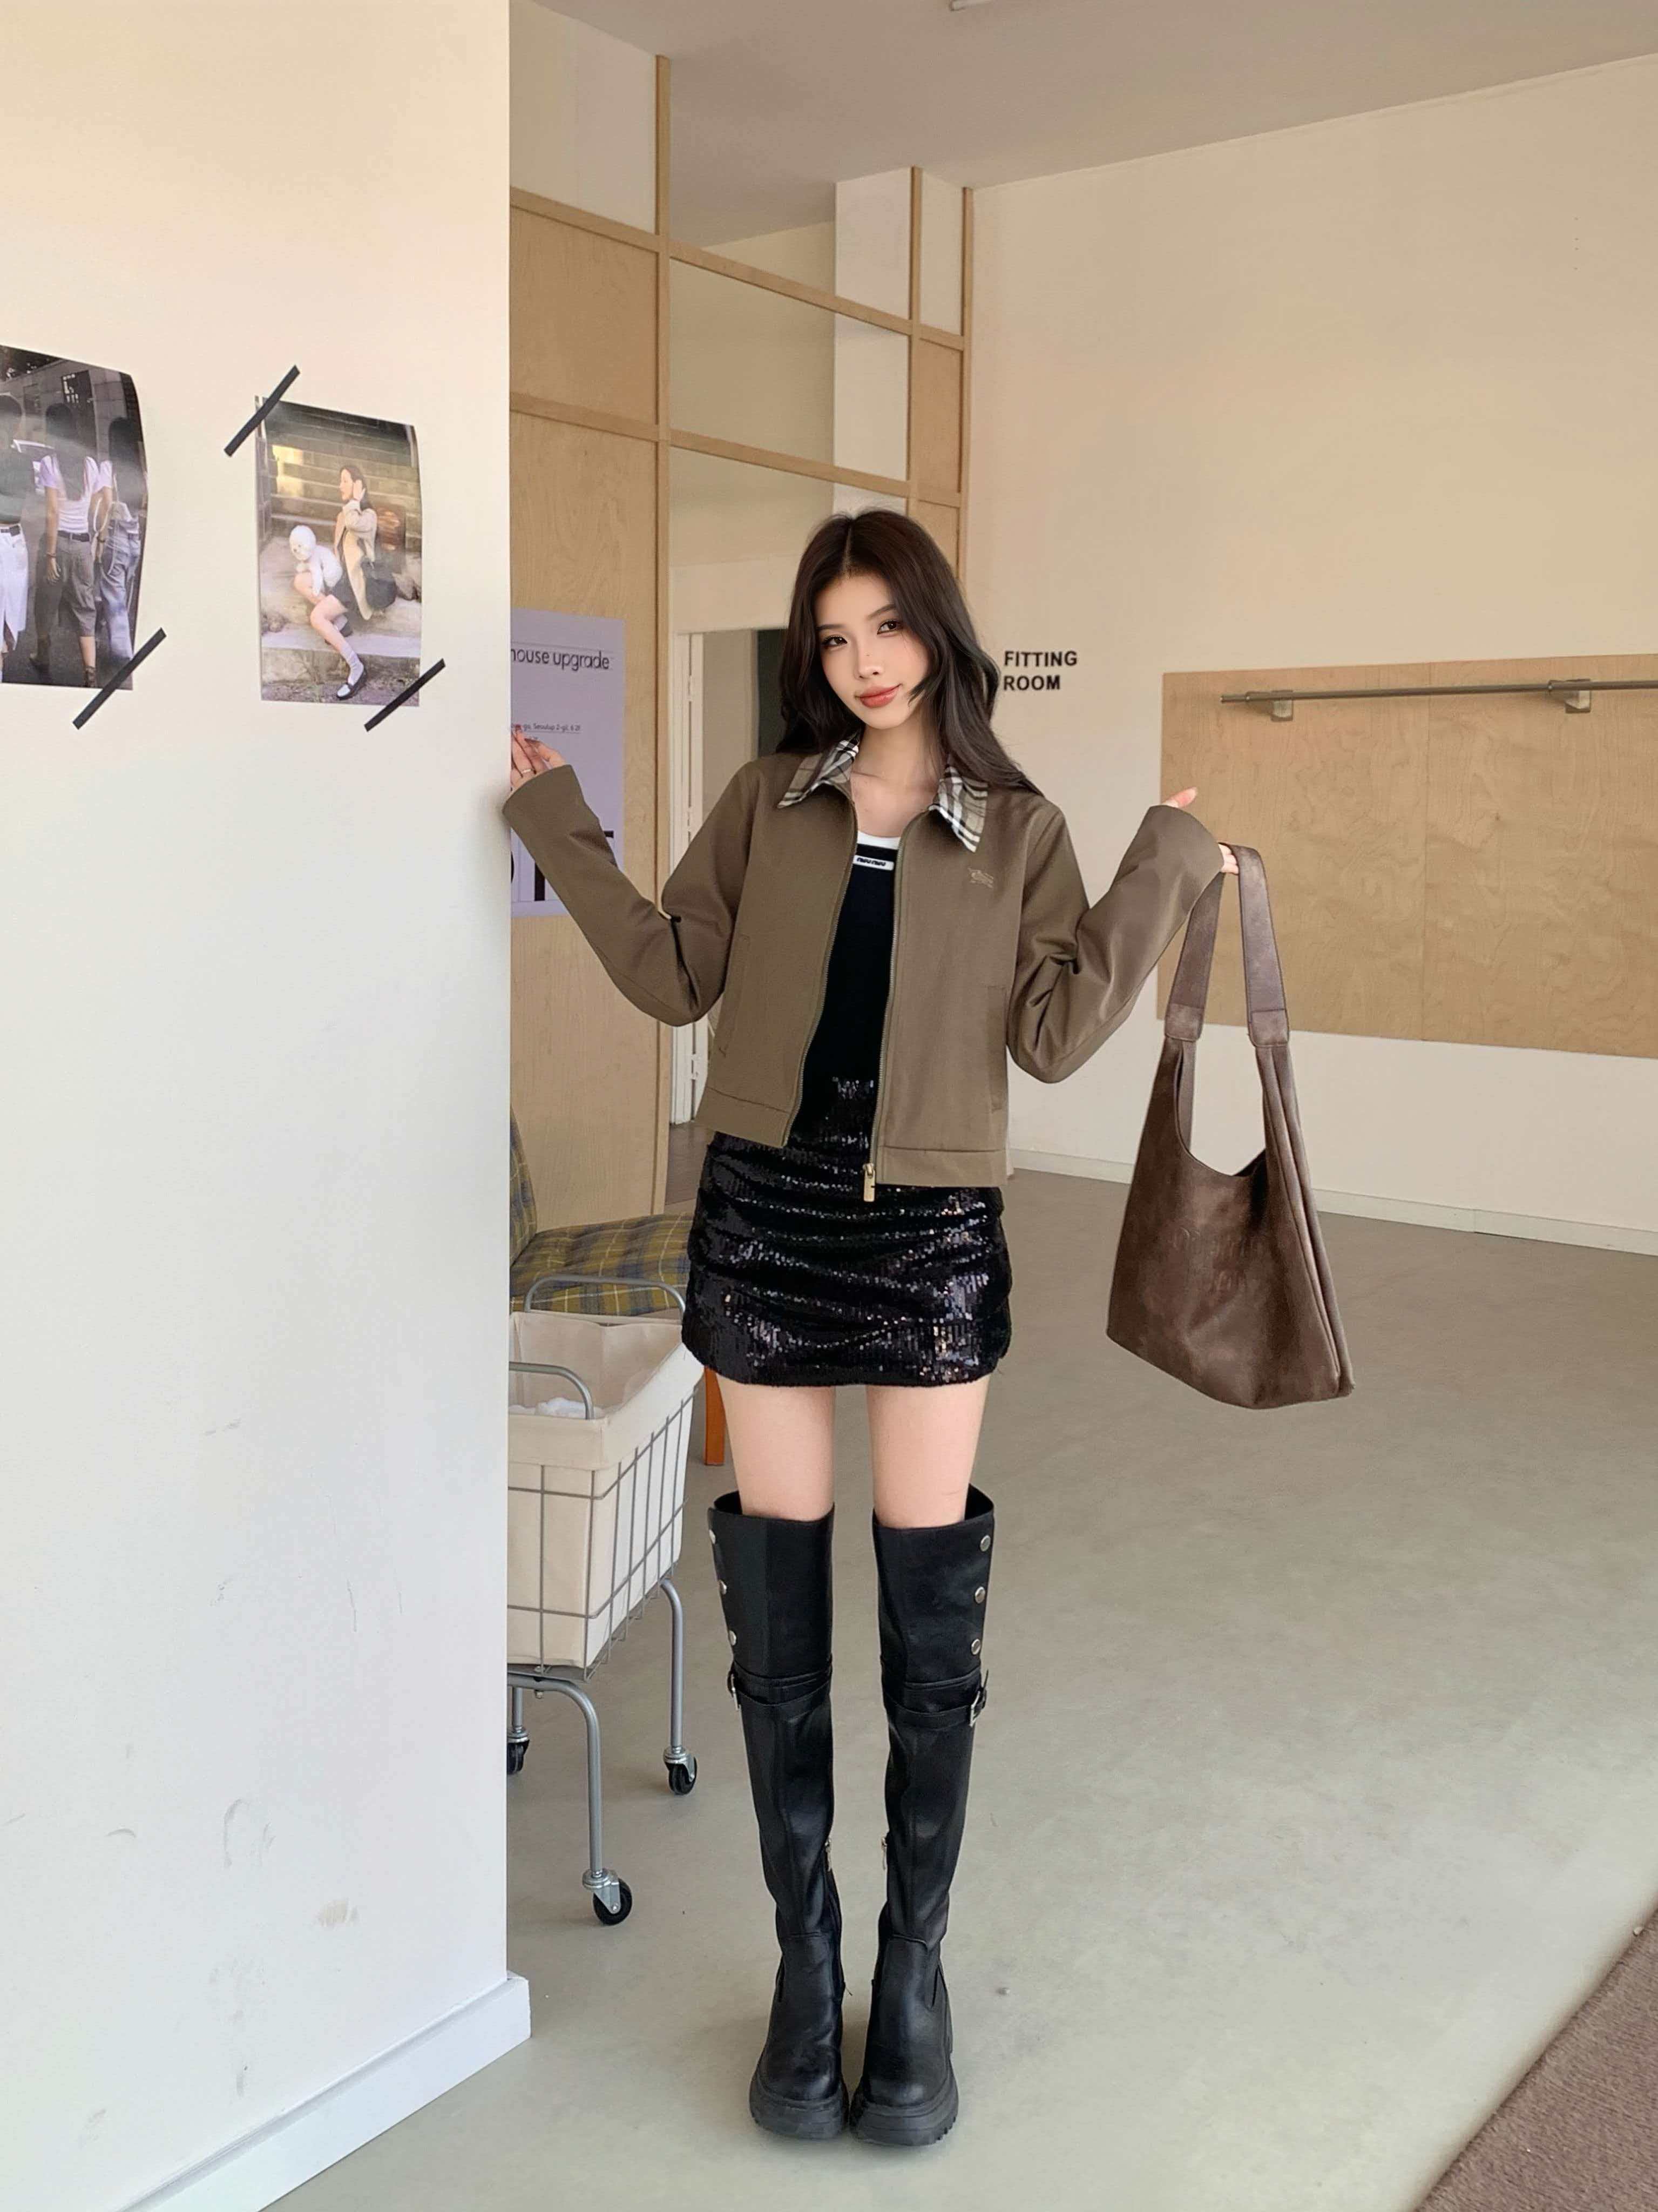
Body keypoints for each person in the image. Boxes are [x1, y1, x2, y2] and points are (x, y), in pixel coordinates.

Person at [502, 508, 1237, 2149]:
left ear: (938, 632)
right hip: (767, 1216)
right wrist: (558, 820)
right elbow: (672, 974)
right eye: (833, 639)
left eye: (887, 627)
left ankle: (911, 1972)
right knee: (776, 1626)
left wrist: (1162, 867)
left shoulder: (1017, 828)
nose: (863, 663)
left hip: (930, 1234)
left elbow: (1052, 1035)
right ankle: (805, 1959)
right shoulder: (769, 801)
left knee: (928, 1630)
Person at [33, 402, 104, 685]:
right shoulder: (91, 465)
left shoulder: (50, 464)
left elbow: (52, 513)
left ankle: (43, 656)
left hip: (58, 544)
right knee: (85, 607)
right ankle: (90, 673)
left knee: (45, 602)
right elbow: (96, 504)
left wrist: (51, 555)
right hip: (83, 545)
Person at [287, 523, 366, 699]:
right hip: (337, 577)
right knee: (300, 581)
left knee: (317, 618)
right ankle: (341, 623)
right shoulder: (343, 517)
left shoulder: (363, 517)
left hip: (353, 582)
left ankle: (357, 667)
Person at [95, 416, 145, 669]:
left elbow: (106, 504)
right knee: (121, 591)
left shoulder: (109, 467)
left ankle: (123, 655)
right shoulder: (139, 470)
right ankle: (101, 633)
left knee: (114, 596)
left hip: (115, 538)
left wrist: (102, 539)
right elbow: (143, 502)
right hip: (135, 538)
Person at [0, 396, 32, 682]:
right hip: (16, 541)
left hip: (6, 542)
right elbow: (26, 508)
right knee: (9, 619)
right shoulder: (23, 461)